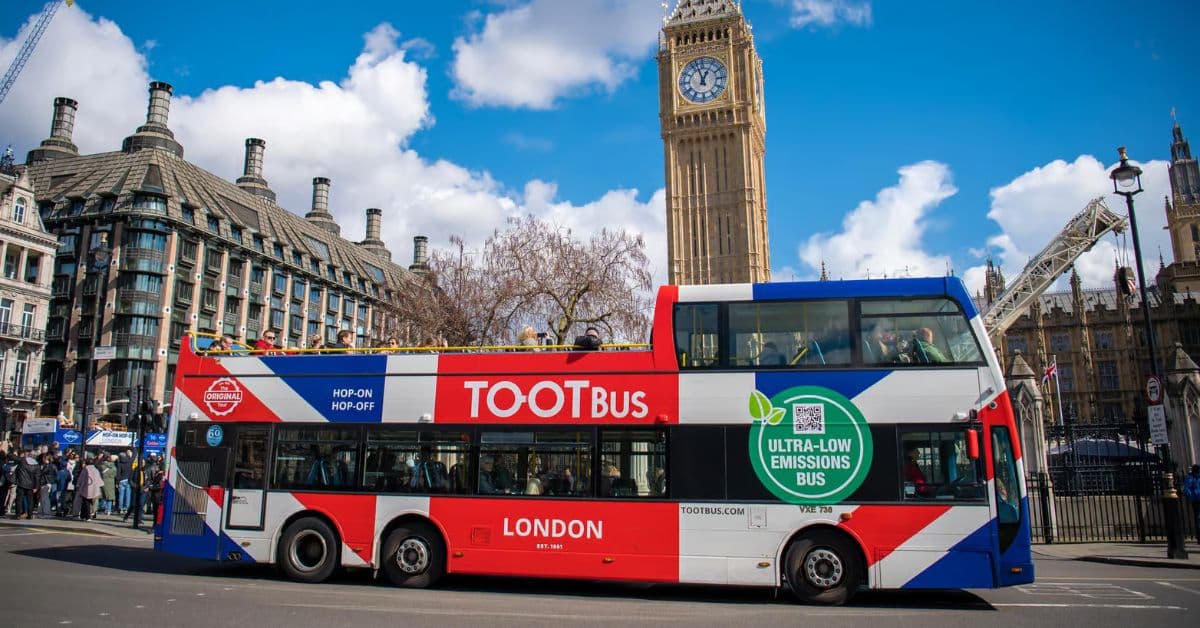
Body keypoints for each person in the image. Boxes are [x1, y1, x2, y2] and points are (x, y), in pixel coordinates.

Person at [1185, 464, 1200, 543]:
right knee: (1198, 518)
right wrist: (1193, 496)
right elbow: (1187, 489)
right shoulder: (1190, 478)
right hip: (1196, 500)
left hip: (1196, 498)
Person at [116, 450, 133, 514]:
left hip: (121, 480)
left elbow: (118, 473)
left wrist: (117, 481)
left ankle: (120, 508)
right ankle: (126, 508)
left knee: (121, 495)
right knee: (128, 495)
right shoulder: (129, 462)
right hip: (128, 480)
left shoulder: (120, 464)